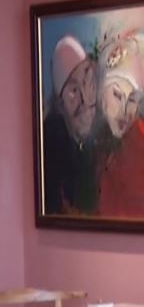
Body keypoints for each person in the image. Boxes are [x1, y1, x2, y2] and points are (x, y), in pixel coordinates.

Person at [95, 29, 144, 220]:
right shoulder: (93, 137)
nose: (125, 111)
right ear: (101, 93)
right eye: (117, 95)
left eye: (133, 99)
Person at [42, 35, 100, 214]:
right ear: (60, 104)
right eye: (74, 90)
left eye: (86, 81)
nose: (85, 99)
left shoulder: (103, 133)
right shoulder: (51, 145)